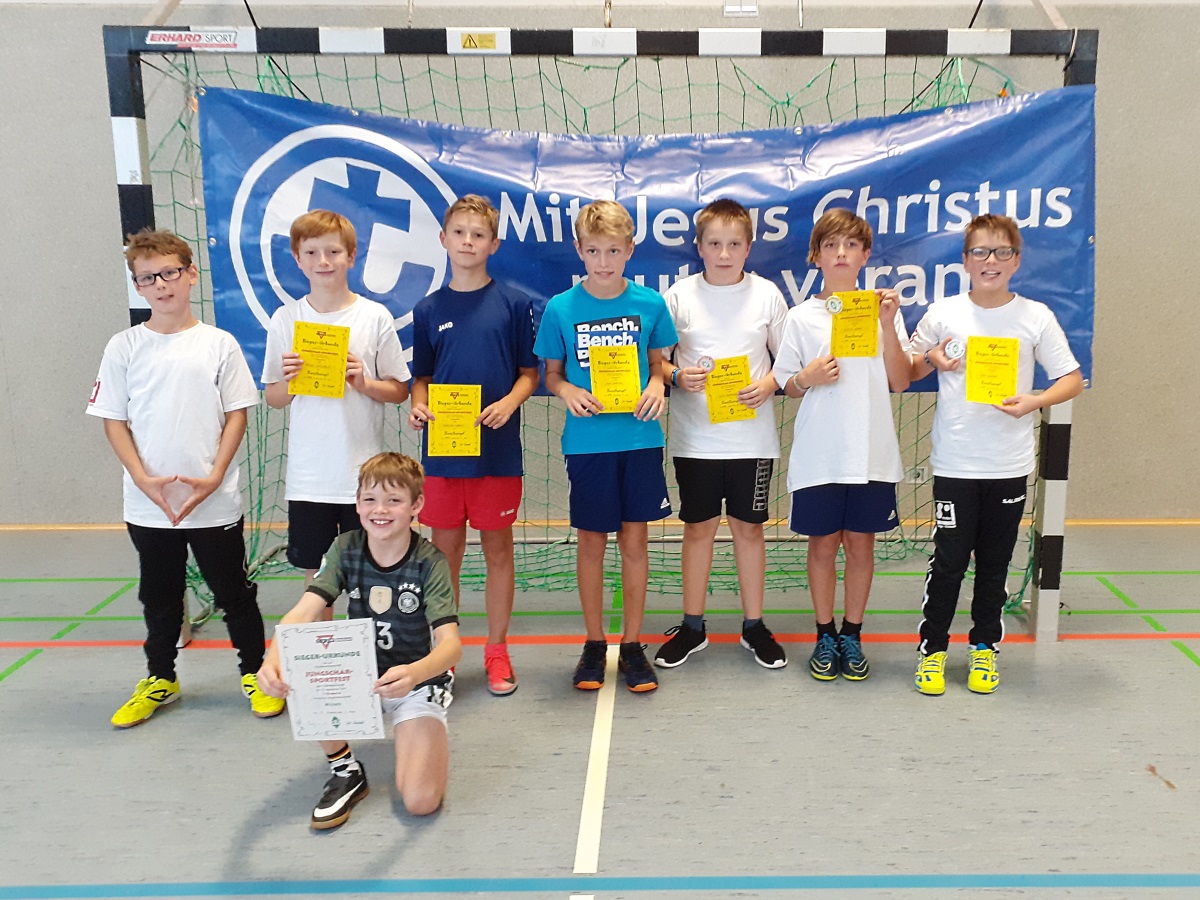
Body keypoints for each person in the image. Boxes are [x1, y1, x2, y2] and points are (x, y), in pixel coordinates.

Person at [88, 229, 283, 727]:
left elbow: (237, 414)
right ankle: (161, 678)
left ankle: (255, 672)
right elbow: (114, 420)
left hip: (213, 501)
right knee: (158, 596)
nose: (160, 284)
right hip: (149, 504)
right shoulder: (124, 346)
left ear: (191, 274)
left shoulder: (218, 344)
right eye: (147, 278)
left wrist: (215, 477)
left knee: (233, 592)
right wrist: (143, 479)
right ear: (137, 285)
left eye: (169, 273)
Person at [909, 214, 1083, 695]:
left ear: (1016, 260)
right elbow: (906, 365)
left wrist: (1034, 401)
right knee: (948, 562)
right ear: (965, 261)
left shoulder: (1035, 316)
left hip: (1008, 464)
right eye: (981, 252)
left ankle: (984, 648)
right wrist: (932, 358)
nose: (991, 261)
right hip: (955, 463)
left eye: (1002, 252)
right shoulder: (944, 313)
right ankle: (933, 651)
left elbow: (1072, 379)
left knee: (995, 563)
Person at [257, 452, 462, 827]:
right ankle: (345, 769)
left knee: (420, 801)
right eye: (370, 499)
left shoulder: (430, 561)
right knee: (302, 661)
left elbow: (450, 645)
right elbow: (303, 611)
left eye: (394, 500)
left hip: (415, 682)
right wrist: (272, 660)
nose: (380, 510)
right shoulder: (345, 547)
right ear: (357, 504)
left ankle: (426, 733)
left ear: (416, 505)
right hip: (359, 675)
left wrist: (415, 674)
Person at [533, 199, 678, 693]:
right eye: (593, 251)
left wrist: (657, 385)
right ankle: (595, 643)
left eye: (613, 250)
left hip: (638, 438)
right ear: (579, 250)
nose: (603, 261)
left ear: (629, 249)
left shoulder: (649, 304)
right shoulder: (561, 308)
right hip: (587, 444)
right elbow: (551, 375)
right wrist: (567, 391)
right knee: (592, 542)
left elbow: (658, 365)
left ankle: (633, 645)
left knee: (635, 542)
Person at [772, 208, 911, 682]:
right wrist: (807, 377)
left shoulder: (883, 312)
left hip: (871, 453)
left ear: (865, 255)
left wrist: (888, 324)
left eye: (851, 245)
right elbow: (786, 384)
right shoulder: (800, 317)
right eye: (830, 245)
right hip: (820, 454)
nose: (841, 253)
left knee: (860, 545)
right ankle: (824, 633)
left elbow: (899, 380)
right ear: (816, 256)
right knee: (822, 546)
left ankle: (852, 633)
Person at [408, 195, 539, 697]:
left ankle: (497, 650)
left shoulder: (514, 304)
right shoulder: (428, 309)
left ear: (494, 244)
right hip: (445, 453)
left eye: (478, 234)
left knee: (498, 550)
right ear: (443, 239)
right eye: (459, 233)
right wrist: (418, 406)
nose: (468, 242)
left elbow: (529, 374)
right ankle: (444, 654)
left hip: (497, 453)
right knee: (445, 555)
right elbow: (421, 378)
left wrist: (509, 403)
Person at [654, 199, 789, 671]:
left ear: (749, 247)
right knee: (698, 529)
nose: (724, 253)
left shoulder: (767, 295)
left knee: (749, 530)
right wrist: (677, 376)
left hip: (752, 440)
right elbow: (656, 361)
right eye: (715, 243)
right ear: (700, 247)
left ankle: (754, 626)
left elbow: (787, 363)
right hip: (696, 440)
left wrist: (767, 384)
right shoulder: (679, 296)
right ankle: (693, 627)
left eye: (734, 244)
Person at [261, 210, 410, 588]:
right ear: (297, 258)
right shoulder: (285, 319)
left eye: (333, 252)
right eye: (311, 253)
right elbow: (274, 398)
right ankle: (321, 632)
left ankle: (370, 631)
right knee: (318, 579)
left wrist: (365, 383)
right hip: (309, 478)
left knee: (371, 574)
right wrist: (293, 382)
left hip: (365, 476)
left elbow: (400, 390)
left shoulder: (374, 316)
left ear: (351, 256)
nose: (323, 261)